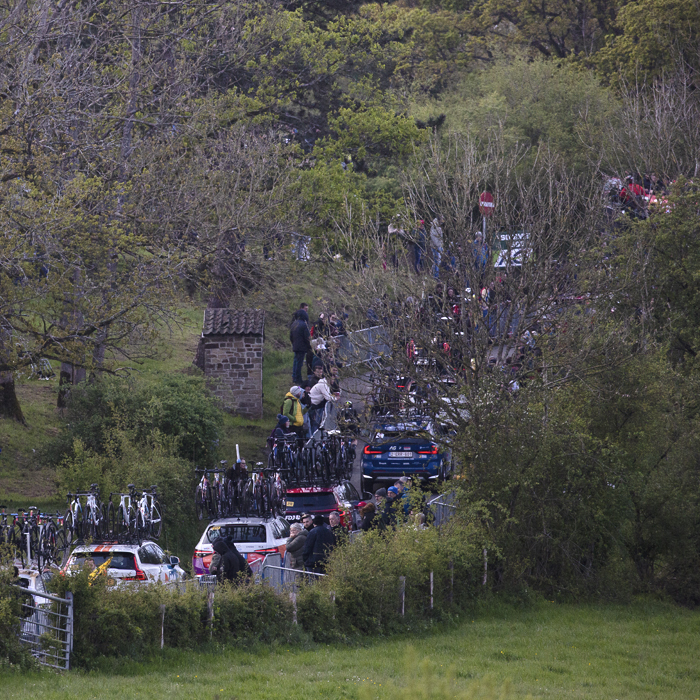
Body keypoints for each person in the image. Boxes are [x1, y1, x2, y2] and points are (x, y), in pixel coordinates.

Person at [290, 308, 312, 385]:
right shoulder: (304, 325)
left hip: (296, 345)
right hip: (302, 346)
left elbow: (291, 336)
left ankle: (294, 377)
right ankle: (298, 379)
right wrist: (310, 346)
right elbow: (307, 337)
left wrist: (293, 343)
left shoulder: (294, 324)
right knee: (299, 363)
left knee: (296, 362)